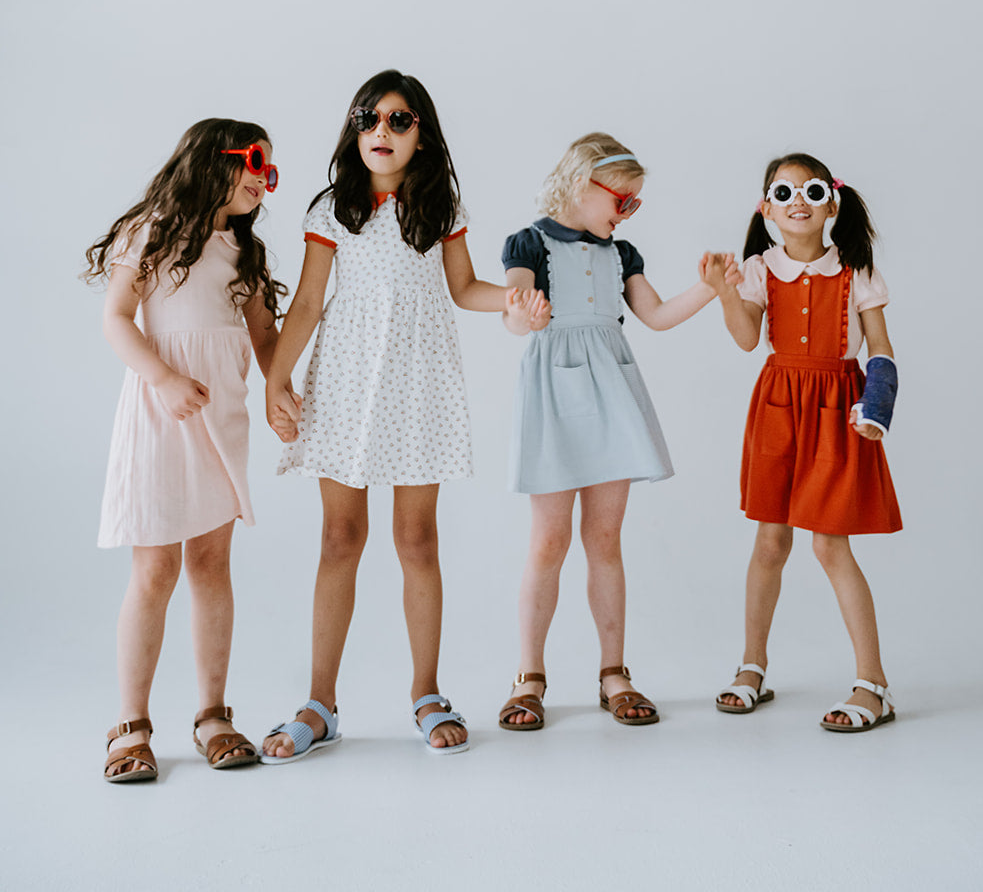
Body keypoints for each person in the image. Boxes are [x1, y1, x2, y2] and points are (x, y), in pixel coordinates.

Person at [263, 69, 547, 761]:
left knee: (417, 541)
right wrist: (276, 376)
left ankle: (426, 691)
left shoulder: (438, 205)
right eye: (368, 119)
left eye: (397, 120)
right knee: (340, 537)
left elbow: (463, 288)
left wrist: (511, 303)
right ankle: (318, 702)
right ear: (352, 132)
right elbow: (305, 305)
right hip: (347, 384)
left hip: (418, 385)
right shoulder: (333, 209)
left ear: (422, 134)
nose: (380, 132)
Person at [86, 119, 287, 781]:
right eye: (254, 160)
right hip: (160, 415)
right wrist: (163, 377)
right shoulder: (152, 230)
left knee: (210, 565)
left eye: (268, 167)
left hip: (219, 420)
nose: (263, 176)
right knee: (154, 572)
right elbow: (117, 317)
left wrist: (279, 389)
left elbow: (264, 338)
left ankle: (211, 715)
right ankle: (132, 725)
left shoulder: (244, 253)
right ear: (210, 162)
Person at [497, 133, 717, 733]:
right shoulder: (530, 241)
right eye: (621, 198)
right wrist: (524, 315)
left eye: (634, 204)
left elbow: (656, 315)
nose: (625, 212)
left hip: (612, 393)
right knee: (548, 542)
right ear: (580, 181)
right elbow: (515, 314)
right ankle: (529, 675)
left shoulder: (622, 254)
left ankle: (614, 672)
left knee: (605, 538)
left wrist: (710, 289)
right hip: (556, 394)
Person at [702, 152, 901, 733]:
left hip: (840, 411)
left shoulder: (857, 270)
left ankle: (874, 684)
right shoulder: (761, 268)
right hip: (779, 409)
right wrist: (722, 291)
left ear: (831, 204)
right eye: (783, 195)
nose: (798, 204)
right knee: (770, 542)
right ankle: (751, 667)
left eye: (811, 192)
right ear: (767, 209)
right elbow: (746, 339)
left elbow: (882, 351)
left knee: (830, 547)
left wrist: (877, 409)